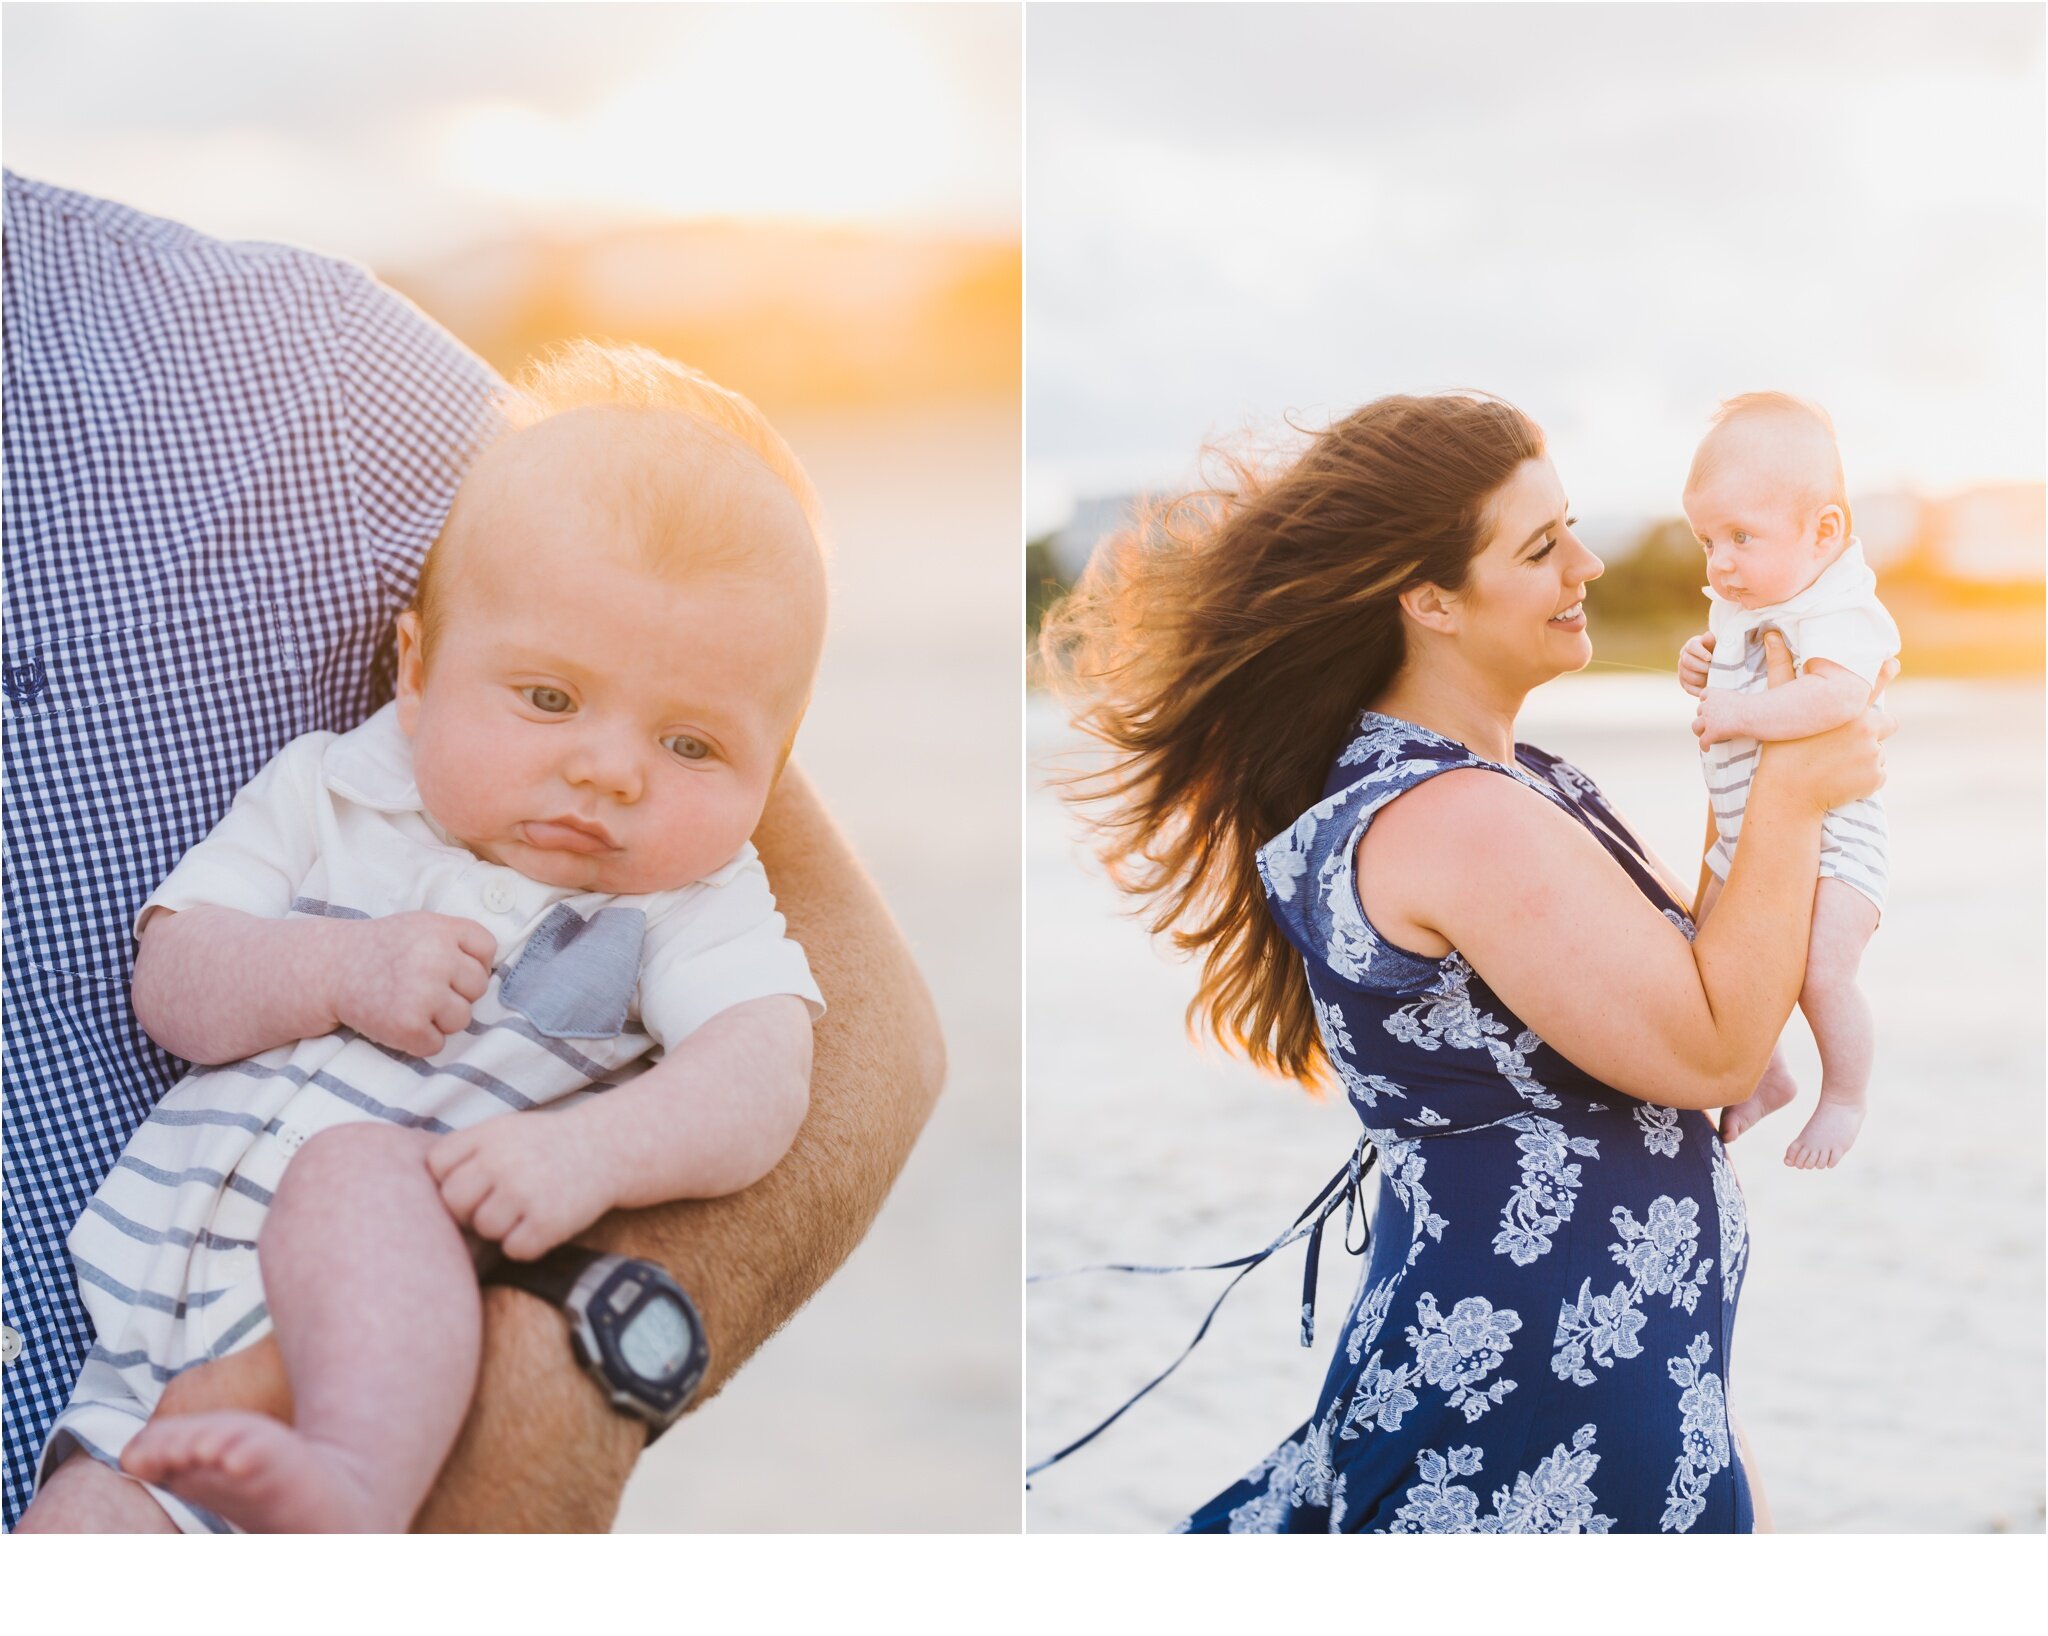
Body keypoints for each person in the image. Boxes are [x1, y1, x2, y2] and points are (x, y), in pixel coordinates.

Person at [2, 172, 945, 1532]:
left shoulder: (686, 893)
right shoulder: (324, 796)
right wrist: (342, 967)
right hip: (129, 1387)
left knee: (364, 1179)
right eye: (550, 700)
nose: (612, 768)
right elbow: (178, 982)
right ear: (419, 668)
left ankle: (347, 1498)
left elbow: (769, 1072)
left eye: (696, 746)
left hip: (361, 1387)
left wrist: (600, 1159)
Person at [1038, 392, 1891, 1532]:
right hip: (1513, 1431)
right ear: (1428, 599)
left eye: (1570, 526)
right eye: (1540, 548)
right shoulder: (1455, 817)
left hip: (1611, 1395)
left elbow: (1712, 964)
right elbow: (1718, 1044)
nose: (1587, 562)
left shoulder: (1518, 785)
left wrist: (1760, 765)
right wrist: (1794, 785)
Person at [1676, 393, 1899, 1169]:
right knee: (1707, 948)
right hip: (1745, 836)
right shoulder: (1753, 598)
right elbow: (1729, 666)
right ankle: (1762, 1069)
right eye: (1707, 539)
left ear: (1824, 531)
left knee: (1819, 970)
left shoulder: (1838, 607)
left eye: (1741, 536)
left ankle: (1845, 1093)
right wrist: (1699, 663)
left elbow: (1838, 697)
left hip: (1837, 844)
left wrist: (1740, 711)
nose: (1721, 561)